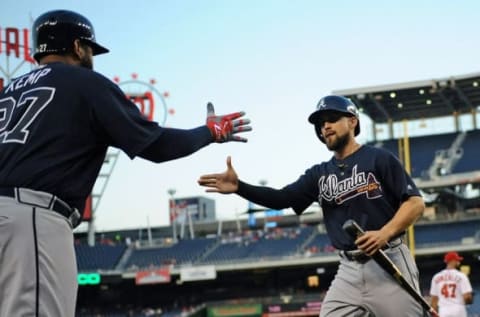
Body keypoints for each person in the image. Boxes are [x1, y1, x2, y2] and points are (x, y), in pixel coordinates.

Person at [0, 9, 251, 317]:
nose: (93, 57)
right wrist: (209, 132)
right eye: (91, 49)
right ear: (78, 47)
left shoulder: (7, 92)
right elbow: (156, 145)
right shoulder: (85, 82)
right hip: (31, 219)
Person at [198, 95, 427, 316]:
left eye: (331, 119)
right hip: (349, 269)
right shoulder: (319, 174)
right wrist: (240, 187)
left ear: (352, 121)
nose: (325, 126)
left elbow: (415, 203)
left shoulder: (379, 158)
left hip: (388, 260)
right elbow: (282, 198)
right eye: (320, 123)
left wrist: (384, 233)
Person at [429, 251, 473, 317]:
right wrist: (469, 301)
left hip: (443, 310)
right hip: (458, 309)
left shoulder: (436, 277)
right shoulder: (461, 276)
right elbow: (467, 297)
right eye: (457, 260)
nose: (459, 262)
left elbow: (434, 301)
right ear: (452, 261)